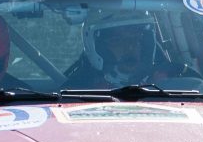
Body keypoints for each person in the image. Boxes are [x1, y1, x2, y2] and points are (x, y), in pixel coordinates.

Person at [63, 10, 192, 89]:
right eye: (118, 41)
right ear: (98, 47)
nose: (130, 47)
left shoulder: (170, 77)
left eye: (137, 39)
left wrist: (164, 88)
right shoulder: (75, 91)